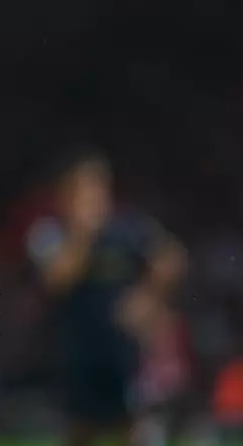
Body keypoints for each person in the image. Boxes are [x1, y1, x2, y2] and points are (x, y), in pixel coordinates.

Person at [27, 151, 185, 446]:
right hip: (75, 352)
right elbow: (57, 280)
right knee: (80, 430)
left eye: (95, 187)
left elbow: (170, 258)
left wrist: (147, 299)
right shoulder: (50, 232)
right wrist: (82, 233)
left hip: (123, 350)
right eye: (79, 189)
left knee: (133, 426)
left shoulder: (127, 228)